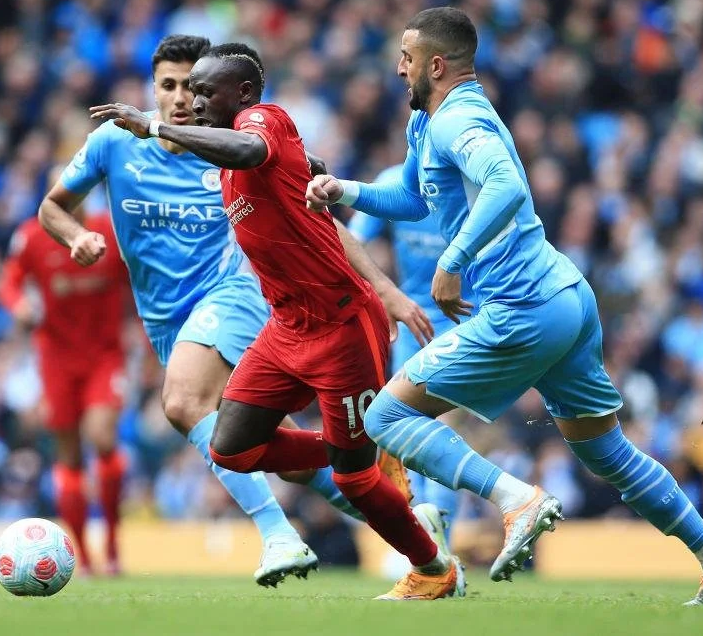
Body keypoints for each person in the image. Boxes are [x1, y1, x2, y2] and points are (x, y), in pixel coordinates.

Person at [306, 7, 703, 606]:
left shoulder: (458, 117)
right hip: (564, 295)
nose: (398, 68)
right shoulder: (432, 120)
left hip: (522, 304)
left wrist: (452, 261)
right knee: (606, 450)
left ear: (435, 65)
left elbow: (507, 186)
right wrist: (345, 190)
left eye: (407, 58)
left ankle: (515, 500)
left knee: (386, 419)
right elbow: (415, 199)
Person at [39, 35, 424, 587]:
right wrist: (76, 236)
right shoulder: (112, 143)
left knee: (181, 402)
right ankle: (407, 521)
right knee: (277, 454)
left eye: (193, 87)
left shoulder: (234, 148)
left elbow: (319, 223)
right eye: (169, 86)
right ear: (154, 88)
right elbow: (51, 207)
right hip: (167, 321)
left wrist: (383, 288)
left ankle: (279, 536)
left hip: (233, 296)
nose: (180, 99)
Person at [0, 193, 129, 576]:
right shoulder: (31, 237)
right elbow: (9, 283)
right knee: (69, 456)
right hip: (56, 360)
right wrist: (19, 305)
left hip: (105, 355)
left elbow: (138, 279)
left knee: (102, 437)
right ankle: (84, 558)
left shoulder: (110, 231)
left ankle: (113, 542)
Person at [348, 165, 470, 545]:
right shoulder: (391, 182)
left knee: (446, 425)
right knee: (403, 428)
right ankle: (425, 539)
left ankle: (441, 544)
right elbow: (351, 240)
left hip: (466, 320)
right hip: (411, 320)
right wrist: (379, 291)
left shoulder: (472, 183)